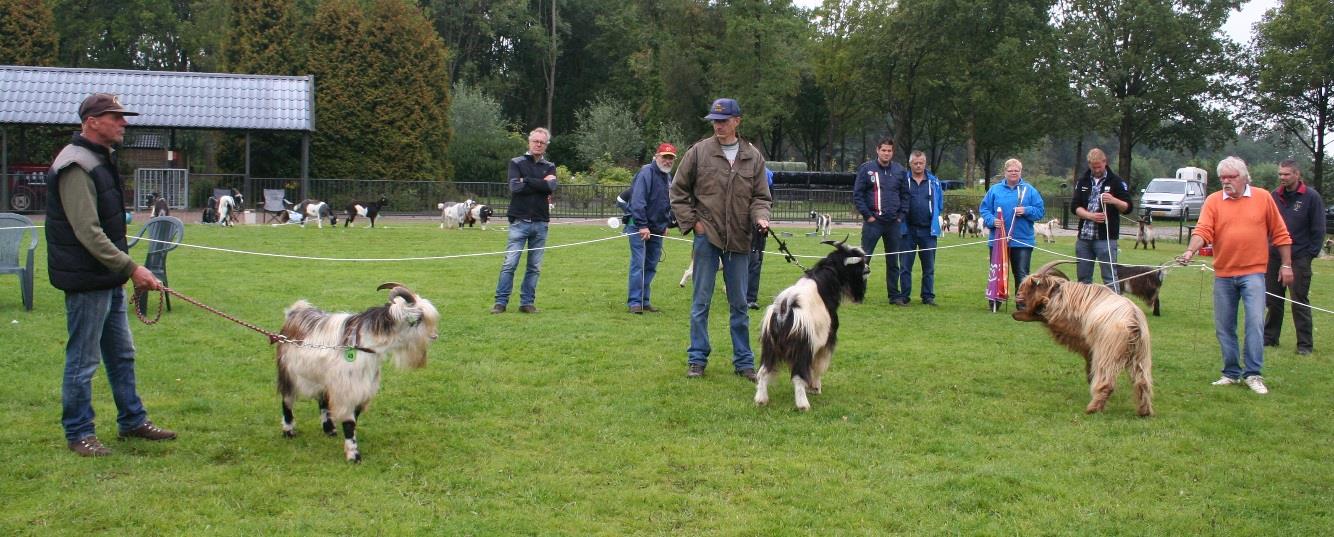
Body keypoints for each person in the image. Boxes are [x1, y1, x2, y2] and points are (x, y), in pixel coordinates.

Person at [46, 93, 176, 457]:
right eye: (115, 117)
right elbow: (88, 232)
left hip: (106, 277)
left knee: (121, 354)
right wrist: (132, 267)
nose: (123, 123)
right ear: (91, 121)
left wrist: (122, 269)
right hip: (87, 279)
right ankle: (78, 432)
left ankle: (132, 421)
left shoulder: (98, 159)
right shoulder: (76, 164)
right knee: (83, 359)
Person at [669, 98, 772, 381]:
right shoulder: (698, 152)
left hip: (740, 239)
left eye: (724, 121)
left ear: (737, 121)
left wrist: (761, 217)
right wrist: (694, 224)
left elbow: (761, 197)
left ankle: (744, 362)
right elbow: (678, 192)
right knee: (700, 301)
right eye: (714, 121)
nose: (718, 126)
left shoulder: (753, 157)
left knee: (740, 304)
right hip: (707, 237)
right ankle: (697, 359)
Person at [1177, 156, 1293, 395]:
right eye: (1223, 178)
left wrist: (1287, 265)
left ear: (1244, 177)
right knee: (1224, 326)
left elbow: (1280, 233)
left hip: (1253, 273)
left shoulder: (1263, 198)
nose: (1226, 182)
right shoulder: (1213, 201)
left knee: (1254, 323)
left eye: (1231, 177)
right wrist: (1190, 250)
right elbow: (1203, 230)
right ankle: (1230, 373)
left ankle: (1253, 374)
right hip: (1224, 274)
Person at [492, 127, 558, 314]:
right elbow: (515, 188)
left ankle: (527, 303)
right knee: (510, 263)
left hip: (541, 222)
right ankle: (500, 302)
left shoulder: (550, 165)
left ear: (546, 145)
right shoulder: (516, 162)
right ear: (529, 142)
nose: (538, 144)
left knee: (534, 267)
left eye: (542, 142)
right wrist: (540, 183)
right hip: (519, 221)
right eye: (535, 141)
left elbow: (551, 187)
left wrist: (527, 180)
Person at [1263, 160, 1324, 355]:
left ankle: (1304, 345)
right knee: (1272, 299)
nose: (1282, 178)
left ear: (1297, 174)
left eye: (1286, 174)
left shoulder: (1311, 197)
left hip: (1299, 256)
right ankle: (1270, 338)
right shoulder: (1274, 196)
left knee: (1298, 300)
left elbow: (1318, 228)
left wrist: (1309, 255)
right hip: (1274, 255)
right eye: (1280, 174)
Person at [979, 158, 1045, 310]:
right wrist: (991, 220)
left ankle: (1022, 304)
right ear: (1005, 172)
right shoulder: (994, 190)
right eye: (1010, 171)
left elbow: (1040, 211)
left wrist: (1026, 210)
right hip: (998, 239)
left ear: (1020, 172)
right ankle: (995, 301)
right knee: (997, 271)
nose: (1013, 173)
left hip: (1022, 240)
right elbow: (984, 209)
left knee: (1021, 273)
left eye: (1016, 170)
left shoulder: (1030, 190)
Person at [853, 138, 909, 304]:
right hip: (873, 222)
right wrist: (868, 216)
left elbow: (905, 196)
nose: (886, 153)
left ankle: (894, 295)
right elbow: (858, 194)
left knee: (893, 261)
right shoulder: (867, 169)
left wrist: (900, 217)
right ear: (877, 150)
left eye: (889, 151)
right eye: (883, 150)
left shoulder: (899, 170)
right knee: (864, 259)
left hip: (893, 224)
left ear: (893, 152)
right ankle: (858, 294)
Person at [625, 142, 677, 314]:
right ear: (656, 156)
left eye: (671, 158)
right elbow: (638, 200)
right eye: (665, 157)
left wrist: (666, 224)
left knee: (651, 265)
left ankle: (644, 300)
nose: (668, 161)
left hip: (657, 228)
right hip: (639, 227)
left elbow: (665, 203)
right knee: (638, 264)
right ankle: (634, 302)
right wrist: (642, 225)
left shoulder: (667, 177)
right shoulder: (646, 172)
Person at [1071, 148, 1132, 292]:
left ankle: (1116, 310)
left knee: (1110, 277)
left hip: (1106, 239)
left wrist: (1113, 200)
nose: (1097, 169)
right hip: (1084, 238)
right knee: (1083, 279)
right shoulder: (1082, 181)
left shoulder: (1116, 182)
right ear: (1089, 165)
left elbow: (1128, 207)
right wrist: (1090, 216)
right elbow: (1075, 207)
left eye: (1099, 166)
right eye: (1093, 167)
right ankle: (1083, 309)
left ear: (1105, 162)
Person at [898, 151, 944, 306]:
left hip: (928, 230)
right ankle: (904, 296)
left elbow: (940, 203)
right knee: (905, 266)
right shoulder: (903, 180)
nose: (918, 166)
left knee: (929, 267)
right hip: (907, 229)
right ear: (910, 164)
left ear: (925, 163)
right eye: (915, 163)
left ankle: (928, 296)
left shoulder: (934, 182)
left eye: (921, 163)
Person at [746, 167, 775, 310]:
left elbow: (767, 200)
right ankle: (746, 296)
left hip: (758, 223)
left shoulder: (766, 174)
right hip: (747, 224)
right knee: (752, 259)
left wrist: (763, 218)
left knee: (756, 259)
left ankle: (750, 297)